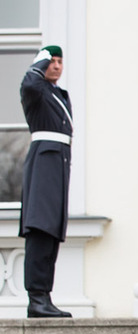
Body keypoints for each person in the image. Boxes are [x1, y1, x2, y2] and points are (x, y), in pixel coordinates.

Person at [19, 45, 73, 318]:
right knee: (40, 229)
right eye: (50, 61)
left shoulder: (57, 94)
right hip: (43, 164)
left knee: (51, 232)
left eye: (59, 61)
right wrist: (37, 63)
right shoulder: (37, 89)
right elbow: (28, 84)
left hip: (57, 166)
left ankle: (44, 296)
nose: (56, 66)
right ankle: (36, 298)